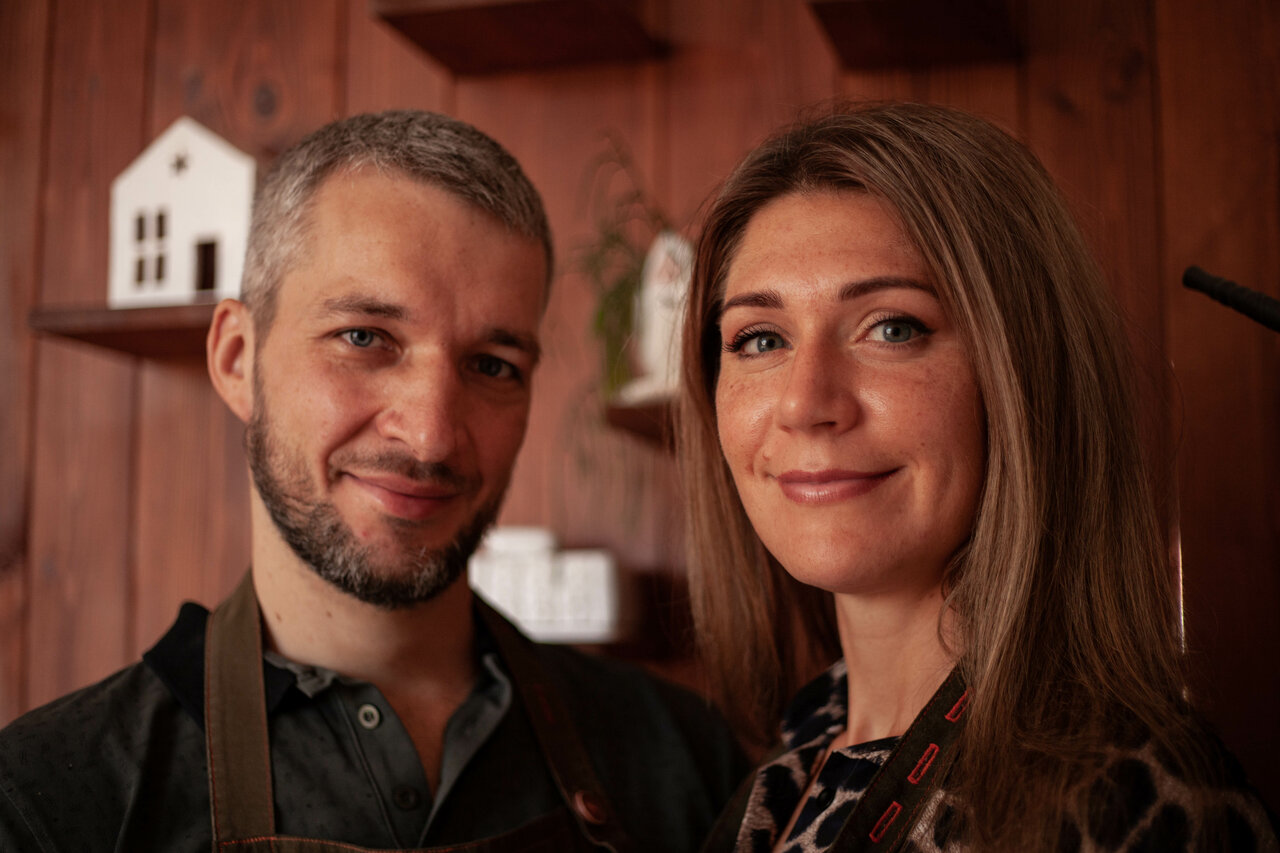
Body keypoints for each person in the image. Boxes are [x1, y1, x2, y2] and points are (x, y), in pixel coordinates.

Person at [0, 110, 746, 852]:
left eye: (493, 365)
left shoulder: (684, 760)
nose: (430, 435)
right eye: (364, 338)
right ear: (237, 359)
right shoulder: (47, 802)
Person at [677, 103, 1279, 852]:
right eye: (761, 339)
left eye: (893, 328)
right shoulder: (786, 769)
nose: (805, 404)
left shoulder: (1128, 802)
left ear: (1025, 373)